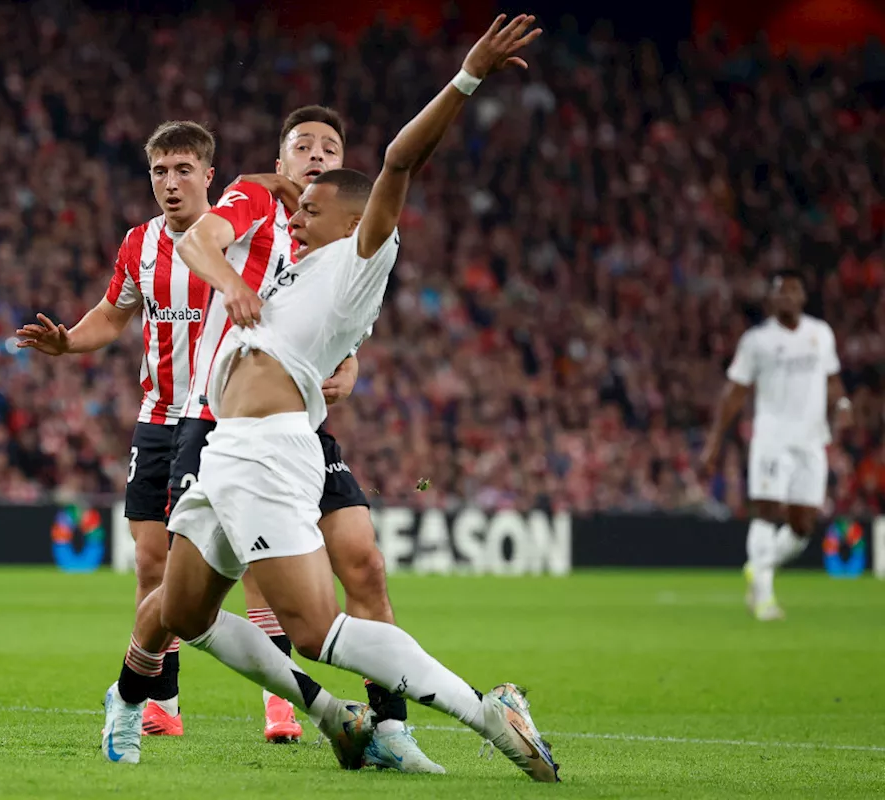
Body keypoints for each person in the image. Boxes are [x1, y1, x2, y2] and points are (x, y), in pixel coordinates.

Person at [101, 15, 559, 782]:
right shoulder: (297, 262)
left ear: (356, 217)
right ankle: (202, 699)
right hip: (224, 451)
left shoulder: (359, 254)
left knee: (315, 629)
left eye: (314, 208)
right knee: (185, 613)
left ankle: (485, 708)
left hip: (268, 451)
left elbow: (400, 160)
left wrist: (467, 76)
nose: (298, 217)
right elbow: (221, 244)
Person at [123, 105, 441, 771]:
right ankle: (141, 689)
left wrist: (351, 362)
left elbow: (344, 320)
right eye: (304, 145)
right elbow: (197, 240)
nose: (317, 154)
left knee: (365, 564)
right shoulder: (255, 195)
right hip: (220, 422)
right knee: (188, 587)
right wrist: (234, 282)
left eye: (330, 145)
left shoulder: (336, 239)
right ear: (283, 158)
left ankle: (389, 724)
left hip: (298, 430)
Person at [16, 121, 217, 735]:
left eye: (183, 169)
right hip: (157, 416)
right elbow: (112, 313)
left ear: (209, 175)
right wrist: (68, 342)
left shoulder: (236, 238)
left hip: (217, 415)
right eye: (160, 171)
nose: (170, 182)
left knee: (215, 564)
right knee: (150, 559)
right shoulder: (139, 243)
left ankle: (280, 700)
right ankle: (164, 702)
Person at [702, 270, 850, 620]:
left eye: (793, 291)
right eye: (780, 292)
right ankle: (765, 598)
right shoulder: (757, 342)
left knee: (802, 527)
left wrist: (842, 406)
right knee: (768, 513)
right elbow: (734, 394)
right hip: (771, 439)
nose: (787, 297)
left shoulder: (820, 334)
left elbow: (831, 380)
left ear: (802, 296)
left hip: (812, 440)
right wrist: (714, 442)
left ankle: (759, 565)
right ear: (771, 299)